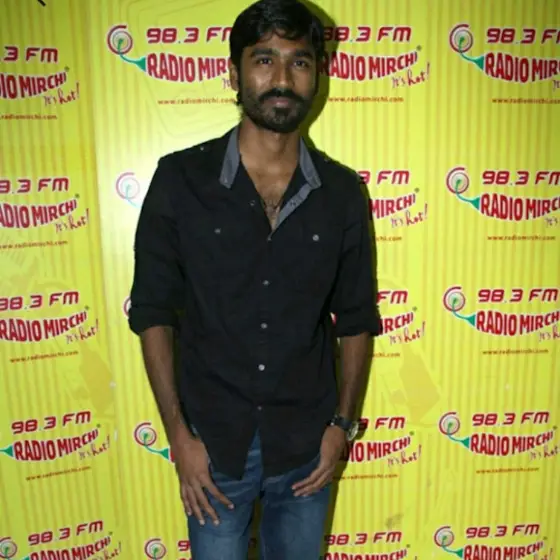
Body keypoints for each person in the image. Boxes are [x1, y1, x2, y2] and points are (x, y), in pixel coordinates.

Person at [128, 0, 382, 558]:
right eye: (264, 59)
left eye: (299, 61)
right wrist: (178, 436)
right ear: (234, 73)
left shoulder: (341, 193)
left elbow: (357, 319)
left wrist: (341, 427)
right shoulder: (180, 180)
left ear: (318, 75)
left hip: (307, 448)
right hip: (213, 449)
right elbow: (151, 312)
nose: (282, 78)